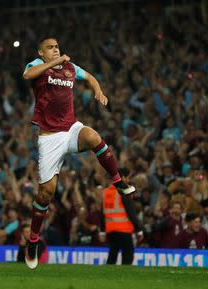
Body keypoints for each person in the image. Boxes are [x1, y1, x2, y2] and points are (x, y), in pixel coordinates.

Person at [22, 37, 136, 269]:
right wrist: (54, 63)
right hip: (49, 138)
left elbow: (90, 76)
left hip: (71, 128)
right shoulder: (35, 65)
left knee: (94, 136)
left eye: (57, 46)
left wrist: (98, 91)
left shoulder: (70, 68)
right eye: (50, 48)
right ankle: (33, 240)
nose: (56, 49)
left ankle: (118, 182)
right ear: (41, 53)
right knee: (46, 194)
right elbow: (27, 76)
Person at [99, 177, 143, 265]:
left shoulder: (106, 192)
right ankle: (125, 276)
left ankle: (108, 274)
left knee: (113, 253)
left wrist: (102, 231)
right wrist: (139, 230)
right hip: (123, 228)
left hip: (110, 229)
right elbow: (131, 212)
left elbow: (103, 213)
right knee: (128, 253)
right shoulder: (124, 191)